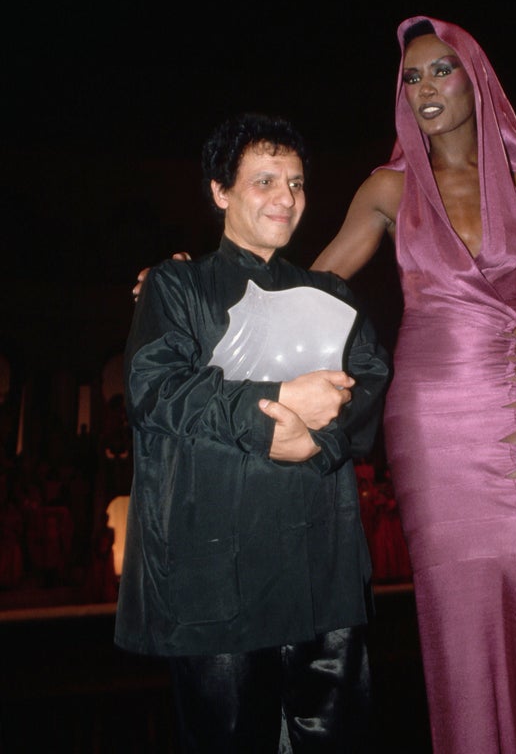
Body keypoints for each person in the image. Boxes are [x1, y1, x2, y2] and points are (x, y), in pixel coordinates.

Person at [132, 21, 516, 753]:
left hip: (515, 403)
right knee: (453, 595)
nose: (423, 88)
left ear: (476, 79)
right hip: (429, 411)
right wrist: (192, 278)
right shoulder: (388, 188)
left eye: (440, 71)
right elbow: (312, 283)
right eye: (410, 77)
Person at [116, 112, 390, 753]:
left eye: (295, 183)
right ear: (220, 191)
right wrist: (275, 409)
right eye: (264, 181)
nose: (286, 198)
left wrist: (316, 440)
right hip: (219, 581)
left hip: (323, 573)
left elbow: (372, 383)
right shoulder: (176, 286)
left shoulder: (334, 296)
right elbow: (154, 389)